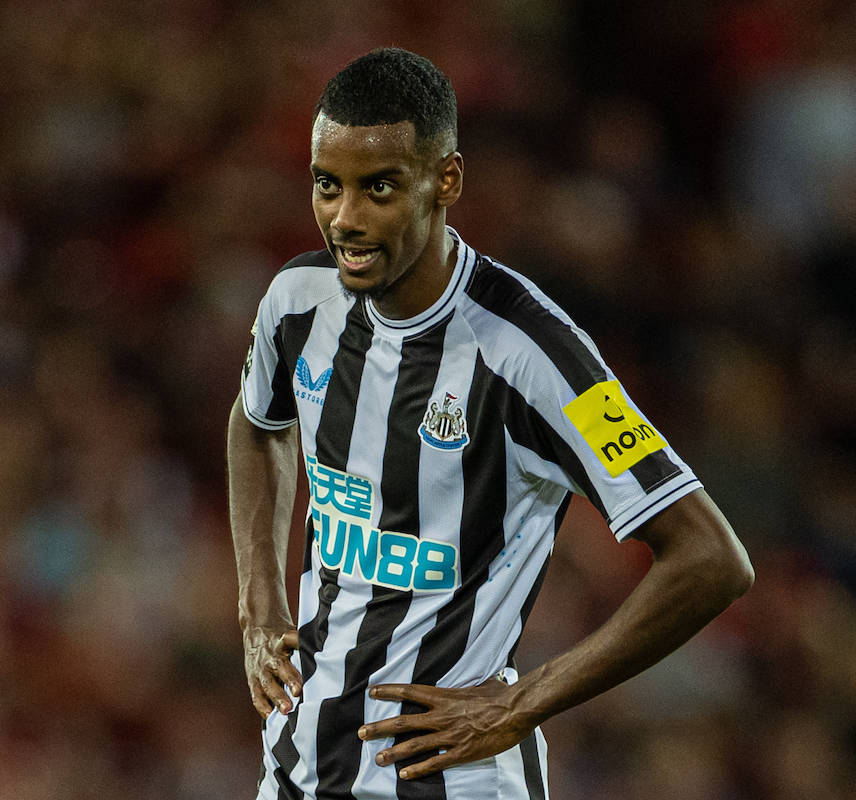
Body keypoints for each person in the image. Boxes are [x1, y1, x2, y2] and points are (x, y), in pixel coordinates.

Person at [226, 47, 754, 800]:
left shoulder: (535, 355)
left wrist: (523, 700)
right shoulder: (298, 299)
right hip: (299, 768)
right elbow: (257, 422)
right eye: (327, 185)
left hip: (457, 781)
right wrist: (258, 603)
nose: (345, 217)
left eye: (379, 187)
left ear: (447, 180)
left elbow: (711, 557)